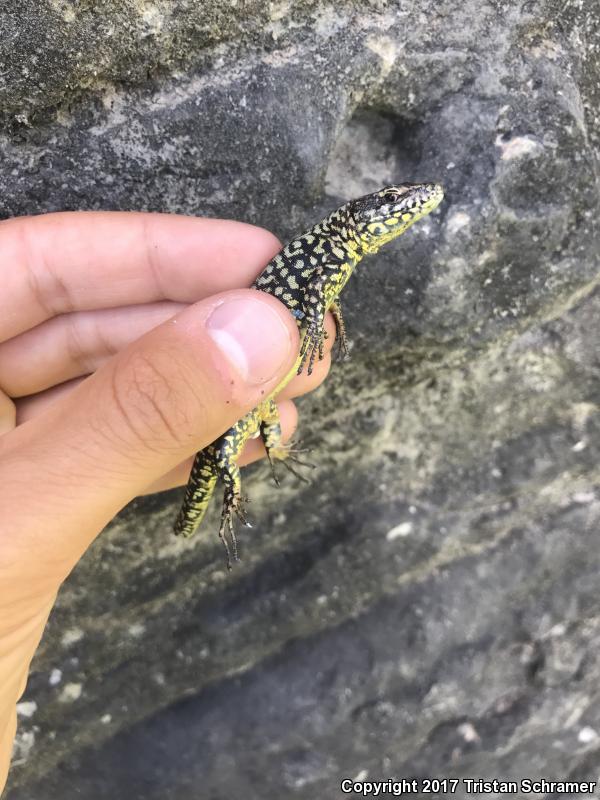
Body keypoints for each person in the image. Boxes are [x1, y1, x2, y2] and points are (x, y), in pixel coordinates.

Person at [0, 211, 334, 791]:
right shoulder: (330, 247)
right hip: (238, 396)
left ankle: (237, 483)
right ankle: (222, 500)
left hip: (252, 390)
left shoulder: (334, 252)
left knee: (251, 432)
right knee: (229, 452)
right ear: (362, 222)